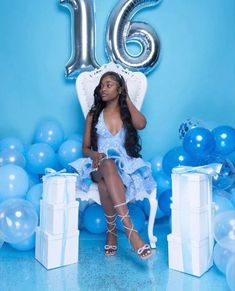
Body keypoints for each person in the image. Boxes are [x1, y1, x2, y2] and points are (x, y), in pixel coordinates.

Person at [70, 71, 156, 259]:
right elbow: (85, 148)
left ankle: (111, 232)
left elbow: (141, 124)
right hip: (97, 165)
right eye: (101, 86)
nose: (103, 89)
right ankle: (130, 230)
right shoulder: (94, 114)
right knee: (107, 164)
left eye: (109, 85)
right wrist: (95, 154)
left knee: (104, 185)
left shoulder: (127, 113)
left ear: (119, 89)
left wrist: (127, 99)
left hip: (123, 166)